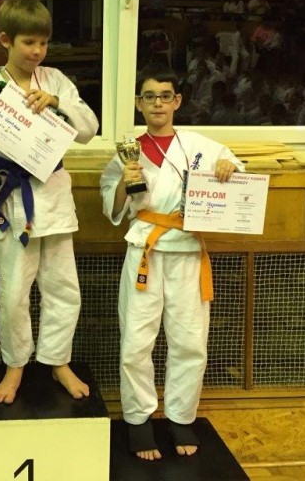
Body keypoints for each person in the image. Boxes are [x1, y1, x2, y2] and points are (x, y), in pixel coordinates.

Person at [100, 62, 243, 461]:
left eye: (165, 96)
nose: (158, 104)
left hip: (187, 251)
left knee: (189, 340)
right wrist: (125, 182)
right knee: (136, 341)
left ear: (177, 101)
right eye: (149, 97)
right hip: (144, 249)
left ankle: (181, 416)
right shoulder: (126, 152)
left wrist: (229, 167)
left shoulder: (200, 146)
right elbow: (112, 208)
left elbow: (236, 173)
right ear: (138, 103)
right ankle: (138, 420)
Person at [0, 0, 99, 404]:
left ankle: (57, 361)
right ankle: (15, 364)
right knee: (13, 293)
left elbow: (89, 129)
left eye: (43, 42)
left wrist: (58, 103)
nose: (37, 51)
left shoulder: (55, 81)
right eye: (28, 42)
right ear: (6, 40)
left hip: (52, 198)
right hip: (11, 199)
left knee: (63, 288)